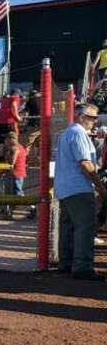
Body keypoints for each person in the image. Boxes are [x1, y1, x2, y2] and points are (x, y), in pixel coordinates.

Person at [55, 103, 107, 281]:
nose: (94, 121)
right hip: (78, 188)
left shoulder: (68, 132)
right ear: (81, 117)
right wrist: (100, 186)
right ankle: (82, 267)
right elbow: (85, 163)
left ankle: (66, 264)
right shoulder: (78, 133)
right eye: (91, 117)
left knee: (68, 228)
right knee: (85, 228)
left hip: (66, 188)